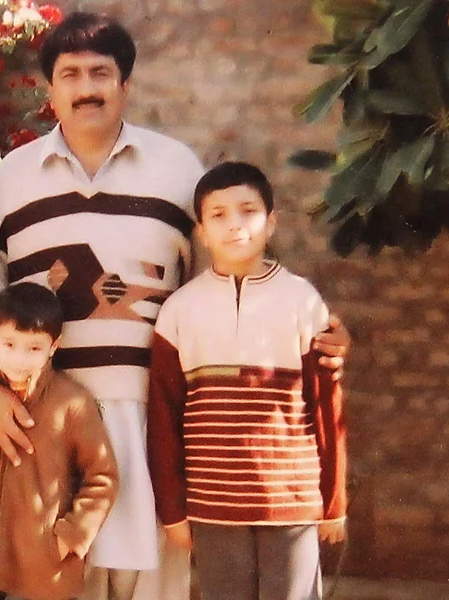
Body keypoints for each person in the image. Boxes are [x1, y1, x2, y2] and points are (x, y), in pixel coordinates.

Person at [0, 12, 351, 600]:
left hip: (151, 422)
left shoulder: (176, 170)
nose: (86, 88)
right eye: (70, 75)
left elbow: (224, 278)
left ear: (125, 83)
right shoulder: (11, 179)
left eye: (100, 73)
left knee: (156, 587)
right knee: (57, 580)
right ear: (49, 89)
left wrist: (315, 335)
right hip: (47, 426)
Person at [146, 162, 346, 600]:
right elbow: (163, 416)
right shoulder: (180, 310)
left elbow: (327, 406)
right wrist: (173, 510)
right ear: (201, 232)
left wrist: (333, 500)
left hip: (290, 501)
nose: (234, 224)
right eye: (218, 215)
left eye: (248, 211)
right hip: (212, 504)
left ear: (271, 222)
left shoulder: (302, 301)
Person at [0, 282, 119, 600]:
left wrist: (68, 537)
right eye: (9, 344)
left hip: (47, 576)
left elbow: (103, 477)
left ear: (53, 346)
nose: (19, 359)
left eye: (34, 348)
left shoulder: (72, 403)